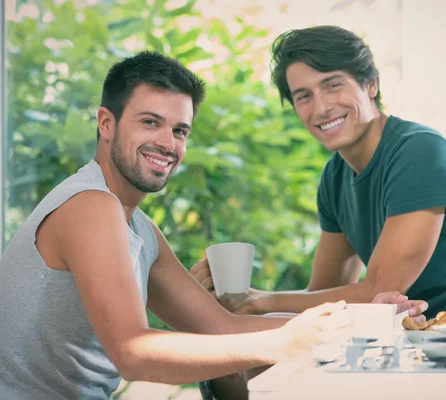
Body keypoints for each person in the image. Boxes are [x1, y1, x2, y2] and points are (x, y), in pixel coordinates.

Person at [0, 51, 366, 400]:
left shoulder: (139, 228)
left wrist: (352, 324)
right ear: (106, 123)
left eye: (180, 131)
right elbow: (134, 353)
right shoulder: (90, 206)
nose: (167, 143)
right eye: (150, 122)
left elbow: (220, 326)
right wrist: (281, 342)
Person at [192, 25, 446, 321]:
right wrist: (232, 298)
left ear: (371, 84)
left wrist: (257, 301)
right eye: (303, 96)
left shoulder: (419, 152)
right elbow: (323, 295)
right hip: (405, 339)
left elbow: (381, 290)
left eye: (333, 85)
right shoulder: (335, 176)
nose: (321, 107)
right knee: (233, 354)